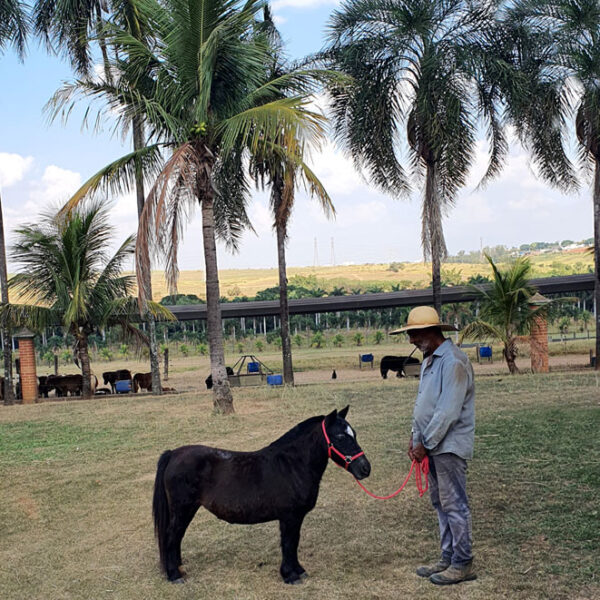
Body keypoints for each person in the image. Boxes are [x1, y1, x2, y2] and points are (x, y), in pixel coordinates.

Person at [392, 306, 476, 585]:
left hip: (448, 447)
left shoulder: (453, 362)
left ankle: (462, 562)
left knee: (454, 504)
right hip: (432, 445)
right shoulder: (430, 360)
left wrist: (424, 443)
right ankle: (448, 556)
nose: (411, 340)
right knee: (441, 502)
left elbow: (447, 412)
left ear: (431, 332)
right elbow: (424, 406)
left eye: (414, 334)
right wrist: (415, 438)